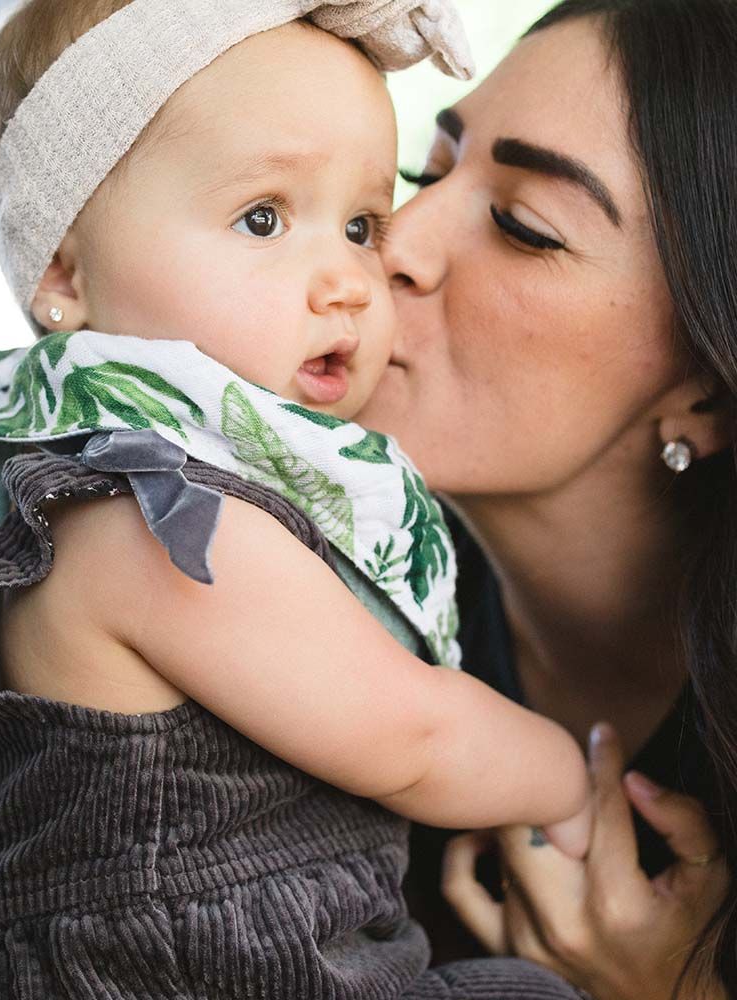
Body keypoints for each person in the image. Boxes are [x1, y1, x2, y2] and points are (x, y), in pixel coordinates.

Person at [0, 1, 595, 997]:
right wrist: (567, 773)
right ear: (64, 268)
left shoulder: (229, 490)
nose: (346, 280)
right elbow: (412, 734)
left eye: (362, 223)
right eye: (262, 218)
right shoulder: (151, 516)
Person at [357, 1, 736, 996]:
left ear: (700, 386)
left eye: (522, 227)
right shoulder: (308, 599)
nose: (394, 238)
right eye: (425, 173)